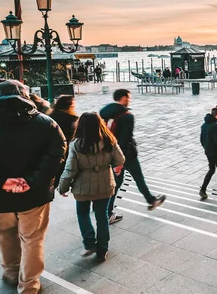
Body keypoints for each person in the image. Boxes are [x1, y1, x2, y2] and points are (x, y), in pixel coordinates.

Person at [0, 80, 66, 293]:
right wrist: (32, 180)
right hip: (34, 194)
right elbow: (58, 154)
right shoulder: (47, 124)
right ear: (26, 96)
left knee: (5, 234)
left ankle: (10, 273)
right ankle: (29, 285)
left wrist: (0, 182)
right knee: (32, 239)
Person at [58, 112, 125, 263]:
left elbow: (70, 170)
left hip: (83, 187)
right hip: (105, 184)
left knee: (82, 213)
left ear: (80, 125)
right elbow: (120, 159)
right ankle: (103, 250)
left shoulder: (76, 144)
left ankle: (89, 243)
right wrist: (114, 166)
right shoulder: (110, 141)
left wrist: (62, 187)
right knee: (102, 216)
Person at [100, 89, 166, 224]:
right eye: (128, 97)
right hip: (126, 155)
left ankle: (105, 209)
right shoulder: (127, 116)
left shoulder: (104, 112)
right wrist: (121, 161)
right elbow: (125, 139)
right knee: (138, 178)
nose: (129, 99)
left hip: (109, 153)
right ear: (123, 98)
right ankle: (151, 201)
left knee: (116, 183)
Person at [50, 95, 79, 188]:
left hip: (52, 148)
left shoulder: (50, 117)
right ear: (69, 106)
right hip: (67, 149)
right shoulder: (73, 119)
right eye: (73, 105)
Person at [199, 107, 217, 200]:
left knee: (211, 170)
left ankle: (203, 189)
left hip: (208, 152)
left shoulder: (204, 125)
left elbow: (201, 139)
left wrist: (206, 148)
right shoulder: (216, 126)